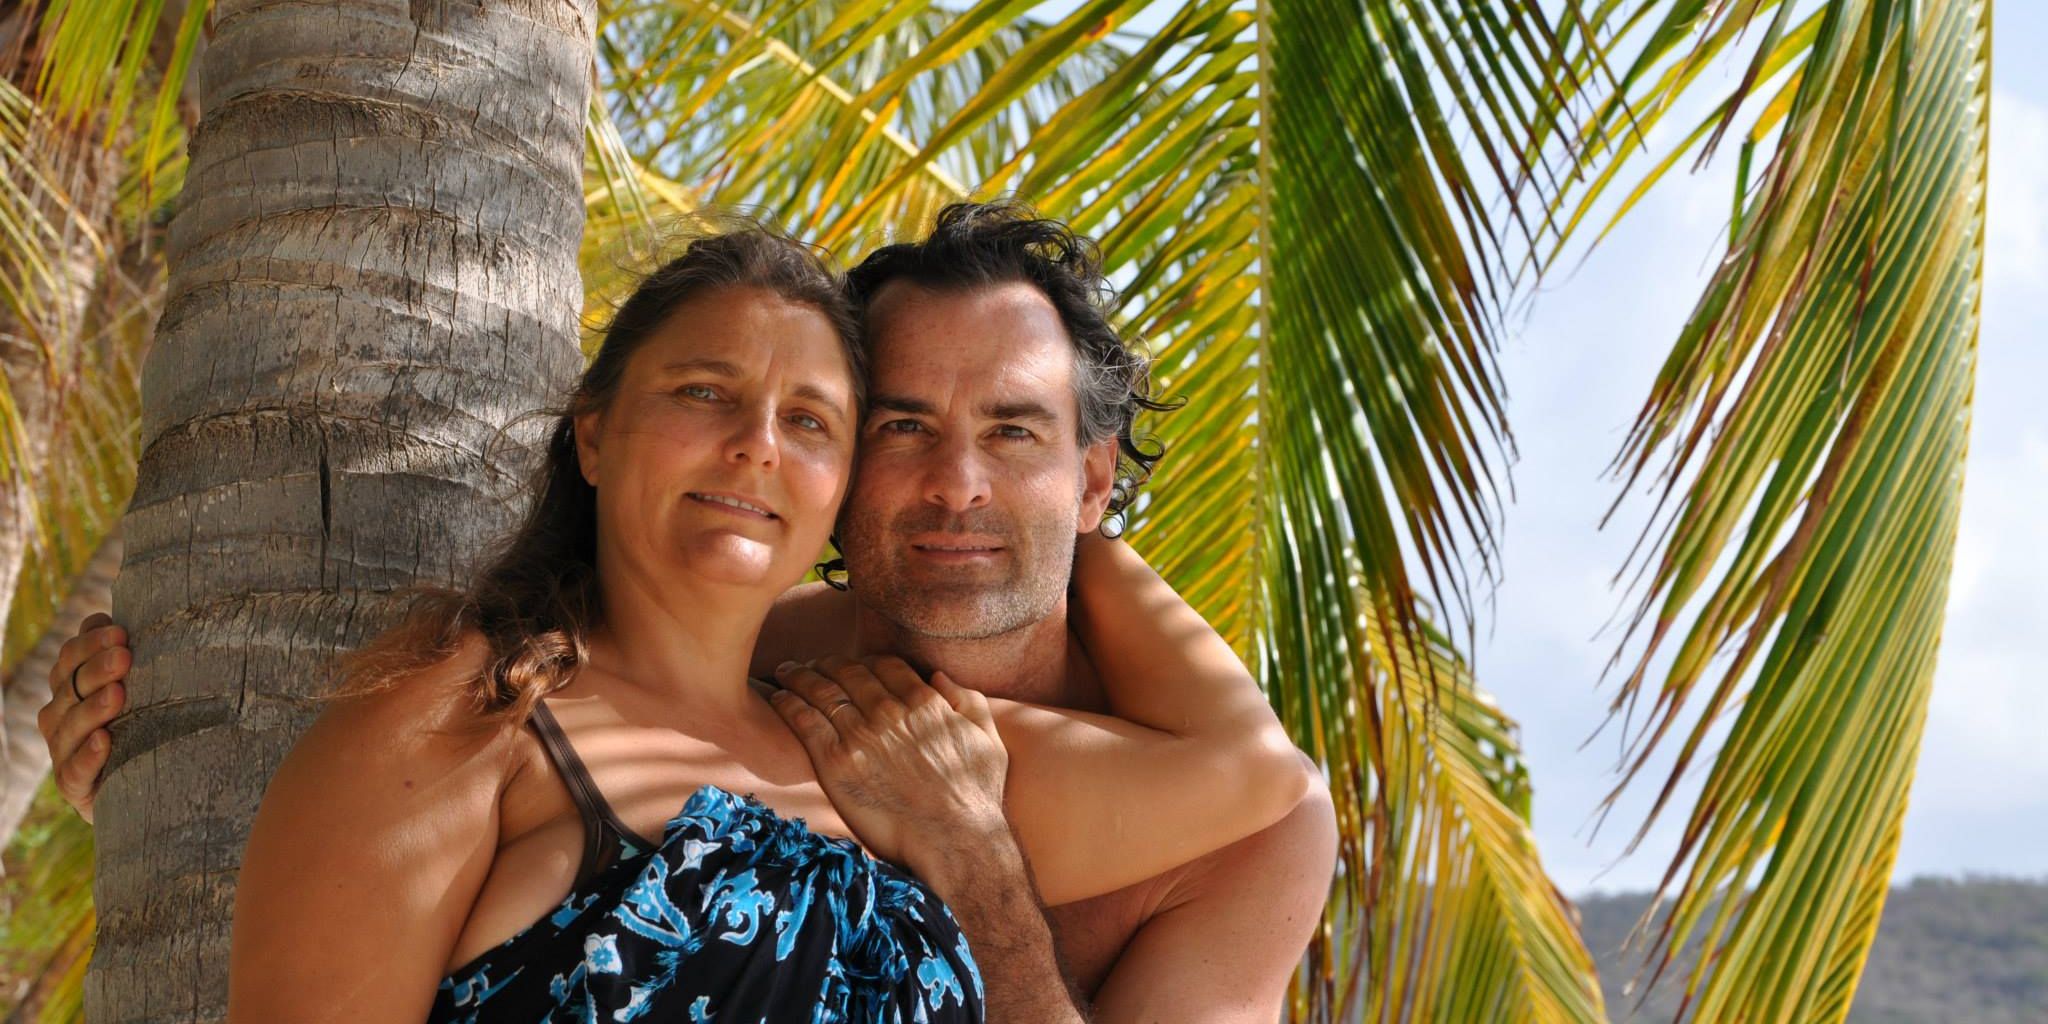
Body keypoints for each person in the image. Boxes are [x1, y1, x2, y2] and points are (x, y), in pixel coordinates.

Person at [43, 202, 1339, 1021]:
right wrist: (170, 749)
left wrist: (976, 861)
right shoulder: (725, 672)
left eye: (1017, 436)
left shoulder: (1202, 825)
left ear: (1098, 476)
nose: (957, 486)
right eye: (899, 427)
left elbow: (1259, 781)